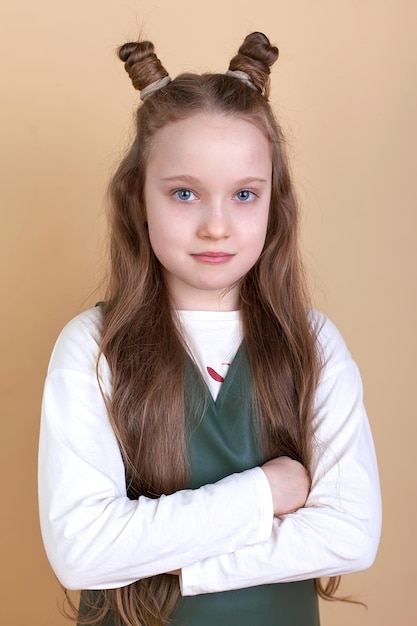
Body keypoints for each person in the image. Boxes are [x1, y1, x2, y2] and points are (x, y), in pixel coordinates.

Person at [38, 32, 381, 626]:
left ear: (275, 204)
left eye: (245, 194)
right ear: (137, 199)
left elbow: (350, 533)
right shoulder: (91, 349)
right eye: (185, 193)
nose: (216, 226)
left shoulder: (313, 344)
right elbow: (81, 551)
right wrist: (261, 496)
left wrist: (177, 565)